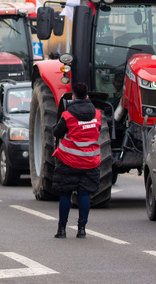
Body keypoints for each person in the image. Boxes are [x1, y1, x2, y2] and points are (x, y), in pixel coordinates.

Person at [52, 82, 102, 239]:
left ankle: (62, 230)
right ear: (87, 95)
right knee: (84, 193)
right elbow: (97, 131)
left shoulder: (68, 115)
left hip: (69, 161)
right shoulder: (97, 114)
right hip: (90, 161)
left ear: (73, 96)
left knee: (65, 193)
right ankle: (82, 230)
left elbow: (57, 133)